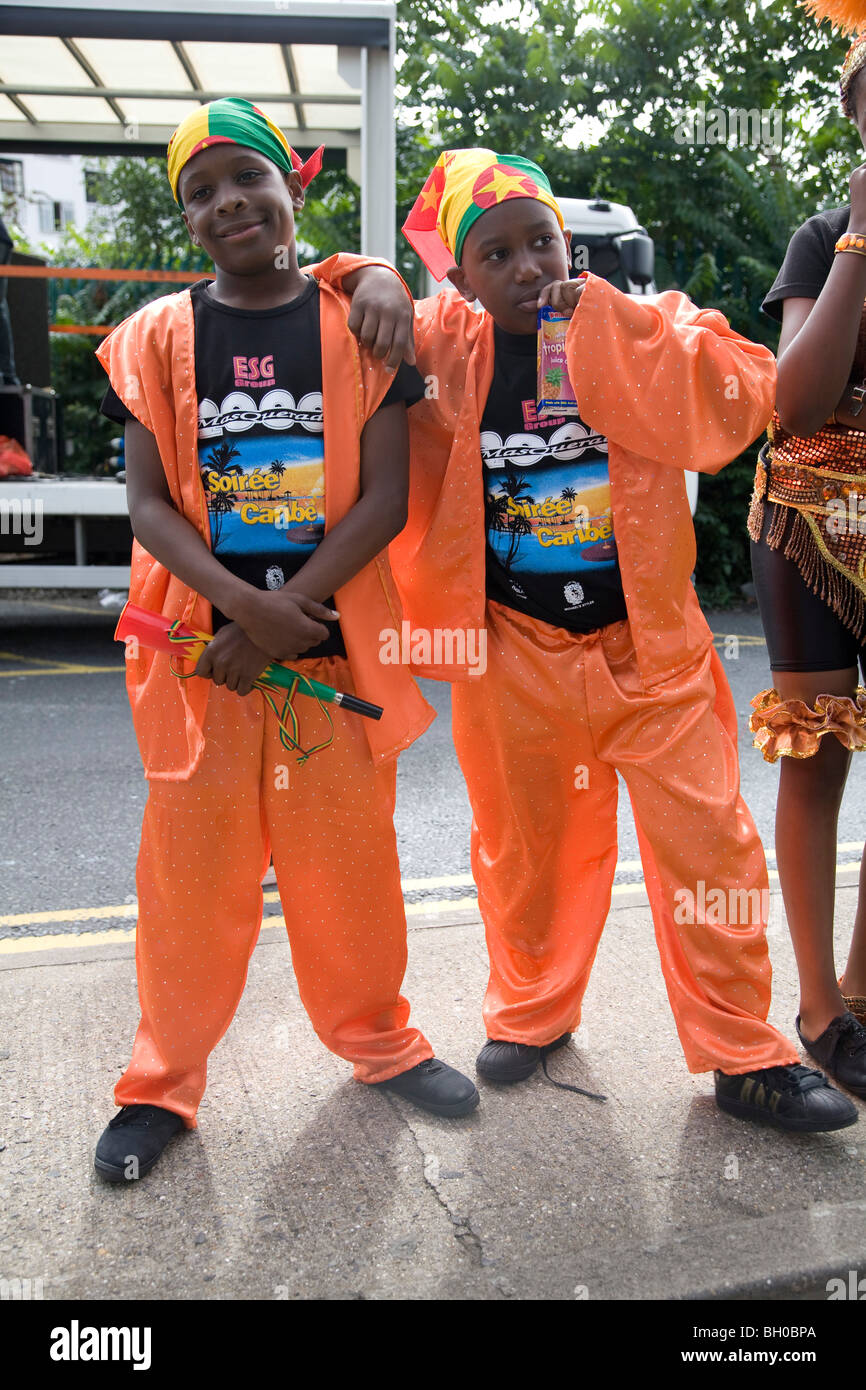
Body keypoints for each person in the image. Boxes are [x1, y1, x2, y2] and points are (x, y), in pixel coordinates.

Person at [331, 147, 860, 1133]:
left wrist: (610, 321)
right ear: (457, 274)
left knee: (713, 855)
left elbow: (741, 396)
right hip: (510, 652)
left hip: (647, 654)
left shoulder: (638, 320)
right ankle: (531, 1014)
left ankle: (743, 1054)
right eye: (496, 253)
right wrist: (358, 270)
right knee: (524, 853)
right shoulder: (441, 343)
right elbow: (320, 319)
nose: (528, 266)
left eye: (542, 241)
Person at [92, 98, 478, 1184]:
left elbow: (386, 499)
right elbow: (150, 504)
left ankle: (378, 1042)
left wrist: (286, 612)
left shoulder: (359, 324)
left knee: (349, 873)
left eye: (244, 179)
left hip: (326, 656)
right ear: (186, 220)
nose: (227, 205)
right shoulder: (154, 337)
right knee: (189, 883)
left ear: (290, 187)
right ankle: (159, 1084)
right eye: (199, 192)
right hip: (201, 661)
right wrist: (239, 609)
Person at [746, 35, 866, 1099]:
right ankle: (817, 1005)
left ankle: (863, 995)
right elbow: (793, 400)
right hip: (809, 526)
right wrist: (859, 244)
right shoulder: (821, 235)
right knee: (816, 758)